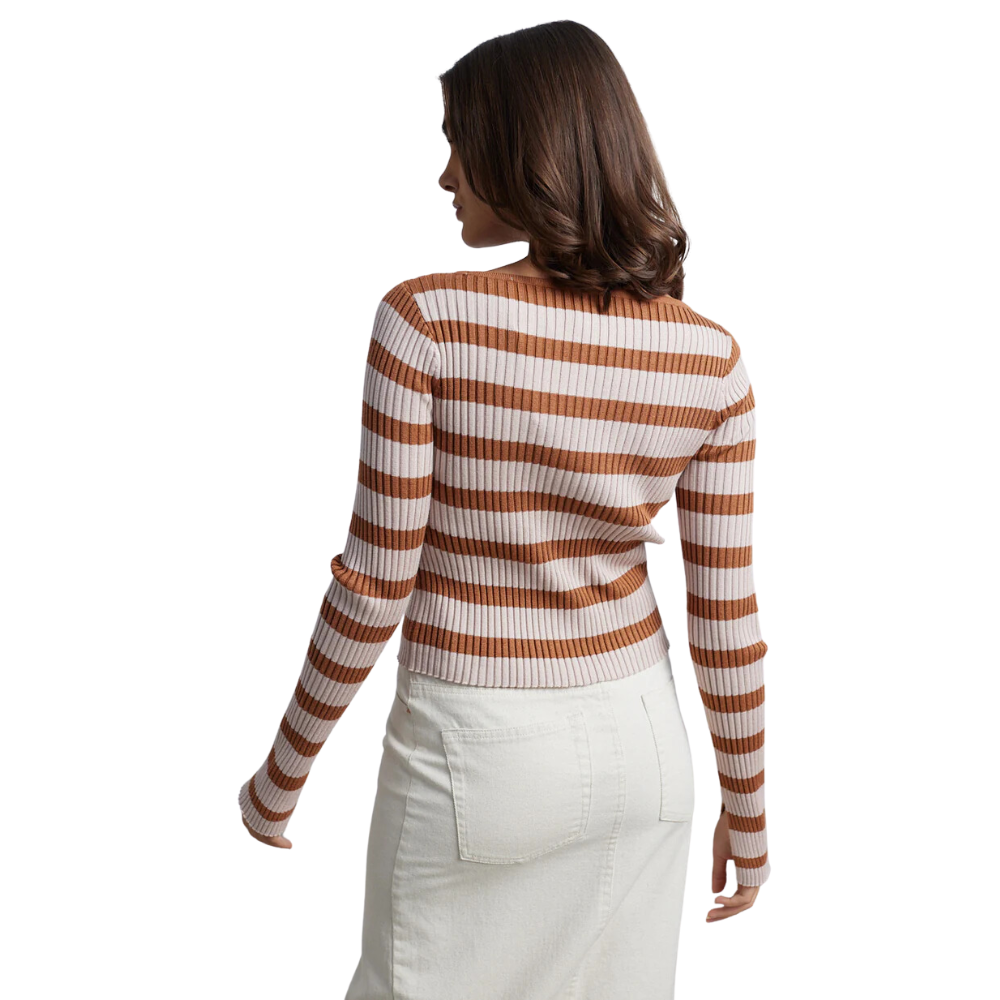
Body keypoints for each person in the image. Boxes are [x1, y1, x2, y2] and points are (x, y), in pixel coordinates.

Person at [238, 19, 769, 999]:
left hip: (477, 752)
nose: (445, 175)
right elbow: (725, 615)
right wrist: (749, 803)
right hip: (645, 755)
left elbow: (376, 580)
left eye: (459, 141)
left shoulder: (427, 321)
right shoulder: (712, 360)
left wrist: (282, 771)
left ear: (521, 147)